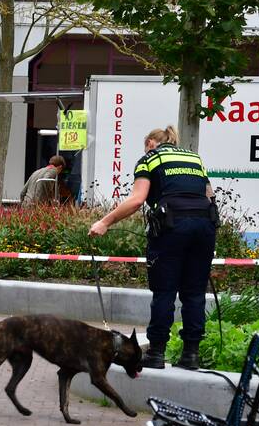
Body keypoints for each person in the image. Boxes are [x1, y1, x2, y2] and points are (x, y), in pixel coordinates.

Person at [89, 125, 216, 371]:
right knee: (194, 293)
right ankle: (191, 355)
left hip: (171, 228)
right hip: (204, 228)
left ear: (150, 143)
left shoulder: (149, 159)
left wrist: (105, 222)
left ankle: (156, 353)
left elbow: (137, 199)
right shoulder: (194, 158)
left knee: (164, 292)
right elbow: (209, 196)